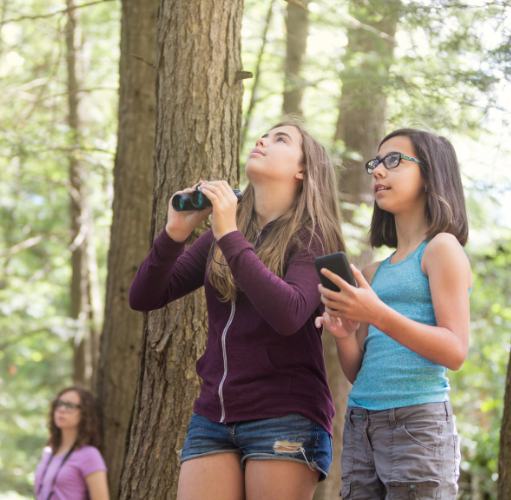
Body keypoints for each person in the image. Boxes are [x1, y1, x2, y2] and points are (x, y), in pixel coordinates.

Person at [129, 120, 345, 500]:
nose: (263, 140)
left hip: (286, 414)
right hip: (212, 417)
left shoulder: (313, 234)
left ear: (303, 170)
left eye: (281, 139)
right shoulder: (229, 230)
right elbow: (144, 296)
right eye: (265, 134)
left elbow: (289, 314)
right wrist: (175, 233)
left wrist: (228, 235)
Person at [315, 129, 470, 500]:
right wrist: (344, 334)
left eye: (394, 161)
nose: (378, 172)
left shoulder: (442, 249)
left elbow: (455, 350)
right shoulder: (373, 273)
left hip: (417, 421)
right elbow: (357, 372)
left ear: (431, 174)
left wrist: (378, 313)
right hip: (361, 422)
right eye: (376, 163)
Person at [33, 387, 109, 500]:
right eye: (59, 404)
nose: (62, 410)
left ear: (84, 414)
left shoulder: (89, 455)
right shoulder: (48, 452)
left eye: (70, 406)